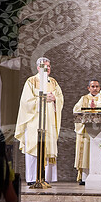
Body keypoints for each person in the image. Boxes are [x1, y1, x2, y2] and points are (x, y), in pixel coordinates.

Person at [14, 57, 64, 186]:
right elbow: (26, 102)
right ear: (38, 68)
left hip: (49, 121)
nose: (47, 68)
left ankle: (45, 177)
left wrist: (55, 99)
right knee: (33, 148)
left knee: (47, 147)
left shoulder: (53, 82)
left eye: (48, 66)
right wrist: (42, 98)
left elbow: (60, 98)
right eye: (44, 66)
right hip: (34, 121)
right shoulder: (31, 81)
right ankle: (32, 177)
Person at [73, 79, 101, 185]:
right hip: (86, 131)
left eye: (97, 86)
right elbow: (76, 111)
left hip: (99, 130)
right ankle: (85, 177)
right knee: (85, 153)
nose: (95, 89)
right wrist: (89, 108)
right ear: (88, 88)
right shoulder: (84, 99)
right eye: (93, 86)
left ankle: (98, 177)